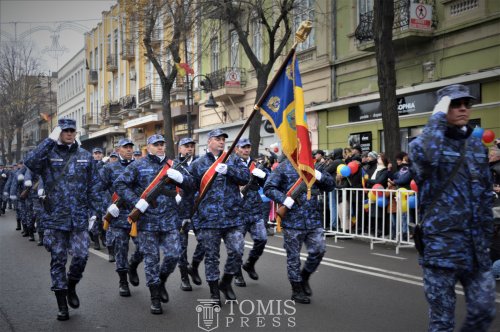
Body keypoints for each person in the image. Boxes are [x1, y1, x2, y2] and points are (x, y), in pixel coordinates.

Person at [409, 84, 496, 331]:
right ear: (442, 109)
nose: (462, 109)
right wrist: (436, 118)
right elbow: (426, 158)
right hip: (441, 248)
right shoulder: (422, 145)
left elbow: (485, 195)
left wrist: (487, 237)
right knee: (442, 321)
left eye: (466, 104)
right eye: (455, 104)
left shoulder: (477, 146)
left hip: (475, 248)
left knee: (484, 311)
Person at [24, 119, 101, 321]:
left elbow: (94, 186)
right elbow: (30, 162)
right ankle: (61, 304)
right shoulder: (48, 154)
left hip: (78, 218)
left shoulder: (85, 156)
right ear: (58, 132)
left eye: (71, 131)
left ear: (76, 133)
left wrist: (95, 213)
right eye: (64, 130)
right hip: (54, 218)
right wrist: (50, 140)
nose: (68, 134)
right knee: (58, 260)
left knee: (81, 256)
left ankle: (72, 285)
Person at [114, 134, 192, 315]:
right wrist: (135, 201)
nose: (159, 147)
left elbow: (192, 185)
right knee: (151, 260)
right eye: (155, 144)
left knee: (173, 255)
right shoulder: (138, 165)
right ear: (148, 147)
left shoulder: (173, 166)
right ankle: (155, 297)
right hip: (147, 222)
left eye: (162, 144)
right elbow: (120, 183)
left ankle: (162, 281)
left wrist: (181, 179)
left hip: (170, 220)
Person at [189, 129, 250, 306]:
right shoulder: (199, 164)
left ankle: (226, 282)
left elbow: (246, 178)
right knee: (212, 257)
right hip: (209, 219)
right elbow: (190, 190)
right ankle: (214, 290)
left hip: (232, 217)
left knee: (237, 251)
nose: (221, 142)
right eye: (217, 139)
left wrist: (229, 170)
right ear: (209, 141)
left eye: (223, 139)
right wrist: (187, 217)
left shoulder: (233, 160)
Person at [264, 158, 335, 304]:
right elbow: (269, 188)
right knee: (293, 258)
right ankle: (296, 290)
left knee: (319, 250)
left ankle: (305, 277)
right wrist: (284, 199)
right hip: (292, 221)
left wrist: (319, 175)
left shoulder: (313, 166)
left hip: (313, 219)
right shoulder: (283, 167)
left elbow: (331, 186)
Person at [100, 138, 143, 297]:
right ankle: (123, 281)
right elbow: (98, 188)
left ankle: (133, 266)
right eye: (125, 147)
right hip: (118, 216)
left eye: (131, 147)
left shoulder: (140, 166)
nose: (129, 150)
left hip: (137, 215)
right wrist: (108, 206)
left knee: (144, 247)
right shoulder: (109, 168)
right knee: (121, 249)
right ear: (118, 150)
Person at [233, 138, 268, 287]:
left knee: (262, 239)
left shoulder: (255, 164)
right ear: (236, 149)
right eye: (243, 147)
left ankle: (250, 264)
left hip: (254, 209)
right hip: (238, 211)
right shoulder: (231, 164)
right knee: (237, 246)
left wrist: (264, 176)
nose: (246, 150)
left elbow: (268, 183)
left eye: (248, 147)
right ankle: (237, 273)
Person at [173, 137, 205, 292]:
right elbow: (165, 183)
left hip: (200, 209)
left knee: (205, 240)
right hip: (181, 210)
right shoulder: (173, 165)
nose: (190, 148)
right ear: (180, 149)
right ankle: (184, 276)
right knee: (182, 246)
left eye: (192, 146)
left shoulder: (201, 163)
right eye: (186, 146)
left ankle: (195, 266)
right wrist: (174, 195)